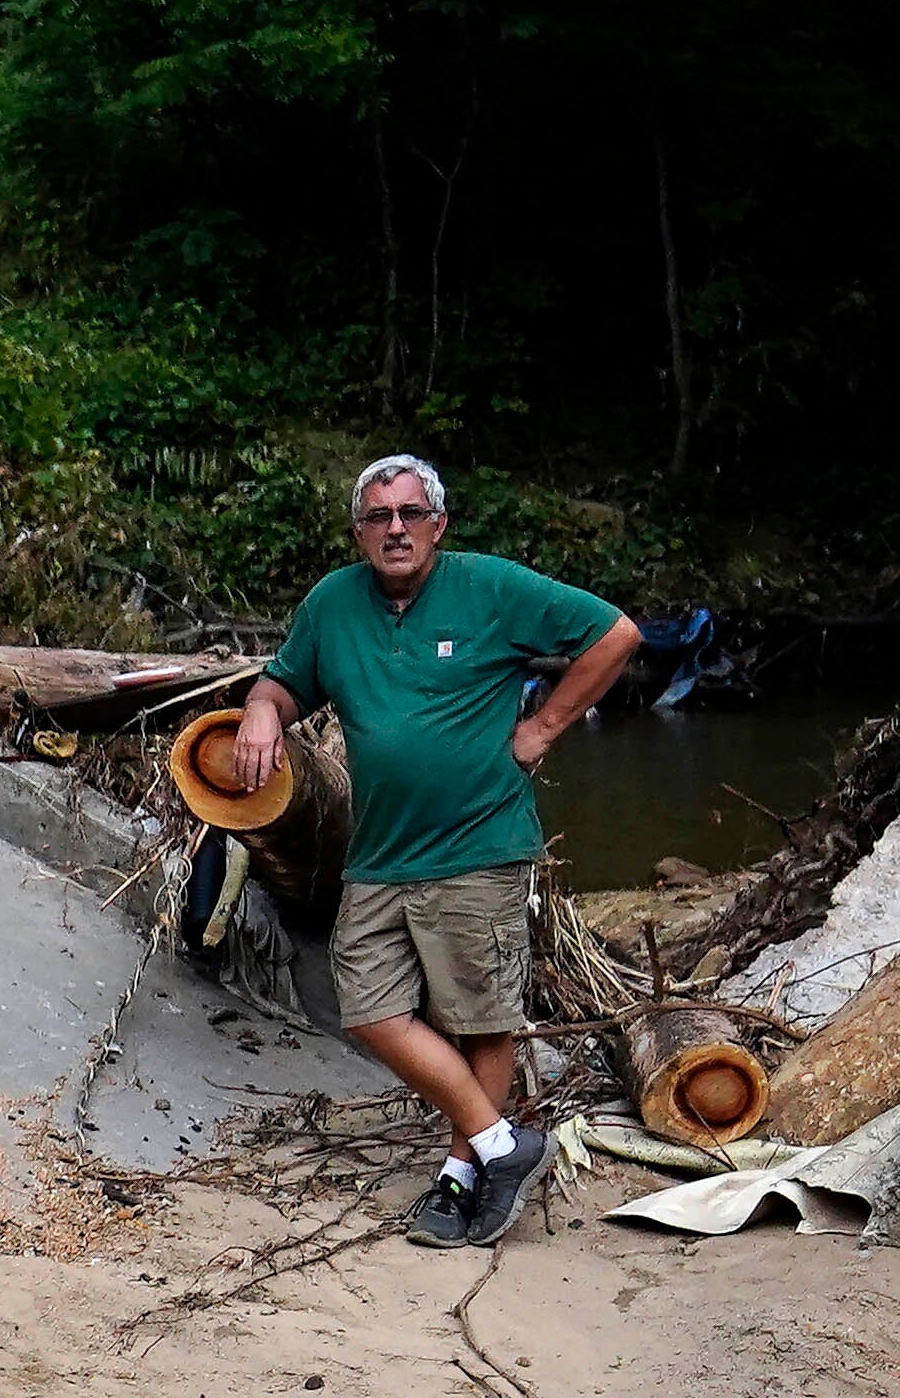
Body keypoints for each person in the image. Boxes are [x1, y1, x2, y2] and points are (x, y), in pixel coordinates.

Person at [220, 454, 643, 1247]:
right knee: (372, 1009)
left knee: (481, 1021)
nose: (396, 529)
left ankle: (459, 1181)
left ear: (438, 524)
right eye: (379, 518)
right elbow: (283, 681)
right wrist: (261, 711)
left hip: (478, 843)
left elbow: (615, 634)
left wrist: (544, 727)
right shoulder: (333, 605)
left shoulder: (491, 588)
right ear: (359, 534)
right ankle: (500, 1144)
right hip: (381, 851)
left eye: (411, 514)